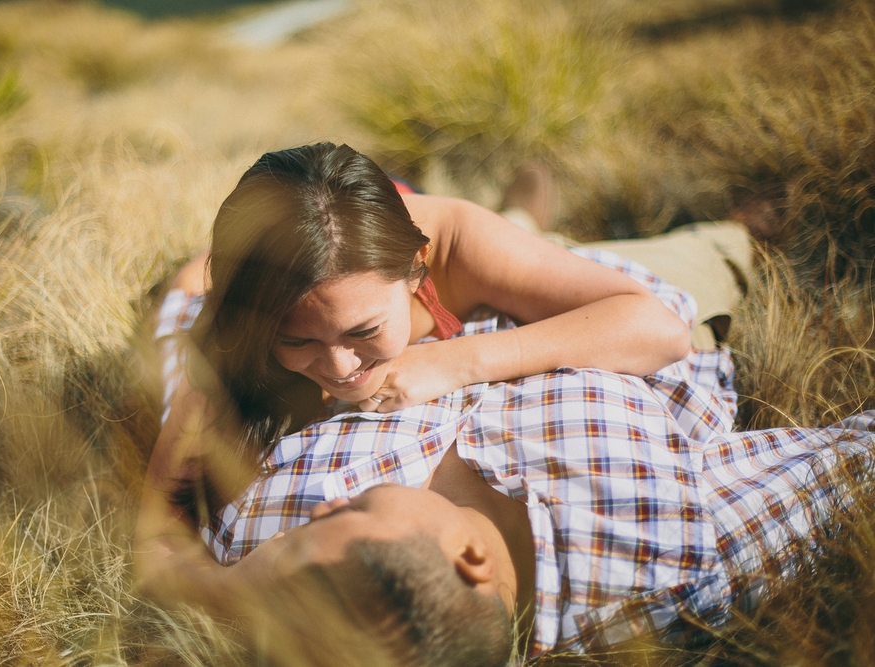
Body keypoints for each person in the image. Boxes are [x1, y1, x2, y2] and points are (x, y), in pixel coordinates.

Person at [132, 142, 776, 663]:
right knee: (514, 240)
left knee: (710, 254)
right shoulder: (234, 339)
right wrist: (187, 416)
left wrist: (456, 359)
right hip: (425, 260)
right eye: (294, 342)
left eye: (363, 332)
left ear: (415, 271)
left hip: (524, 294)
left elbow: (656, 328)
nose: (338, 368)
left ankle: (533, 216)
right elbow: (160, 540)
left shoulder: (449, 245)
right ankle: (520, 220)